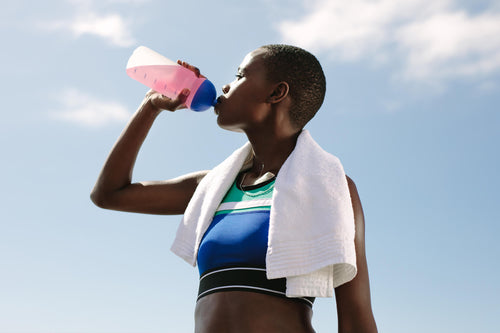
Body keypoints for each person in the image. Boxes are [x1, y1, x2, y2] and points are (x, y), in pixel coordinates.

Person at [91, 44, 377, 333]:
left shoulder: (329, 187)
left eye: (240, 75)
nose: (226, 86)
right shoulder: (214, 186)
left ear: (276, 93)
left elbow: (356, 318)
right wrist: (150, 106)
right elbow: (109, 194)